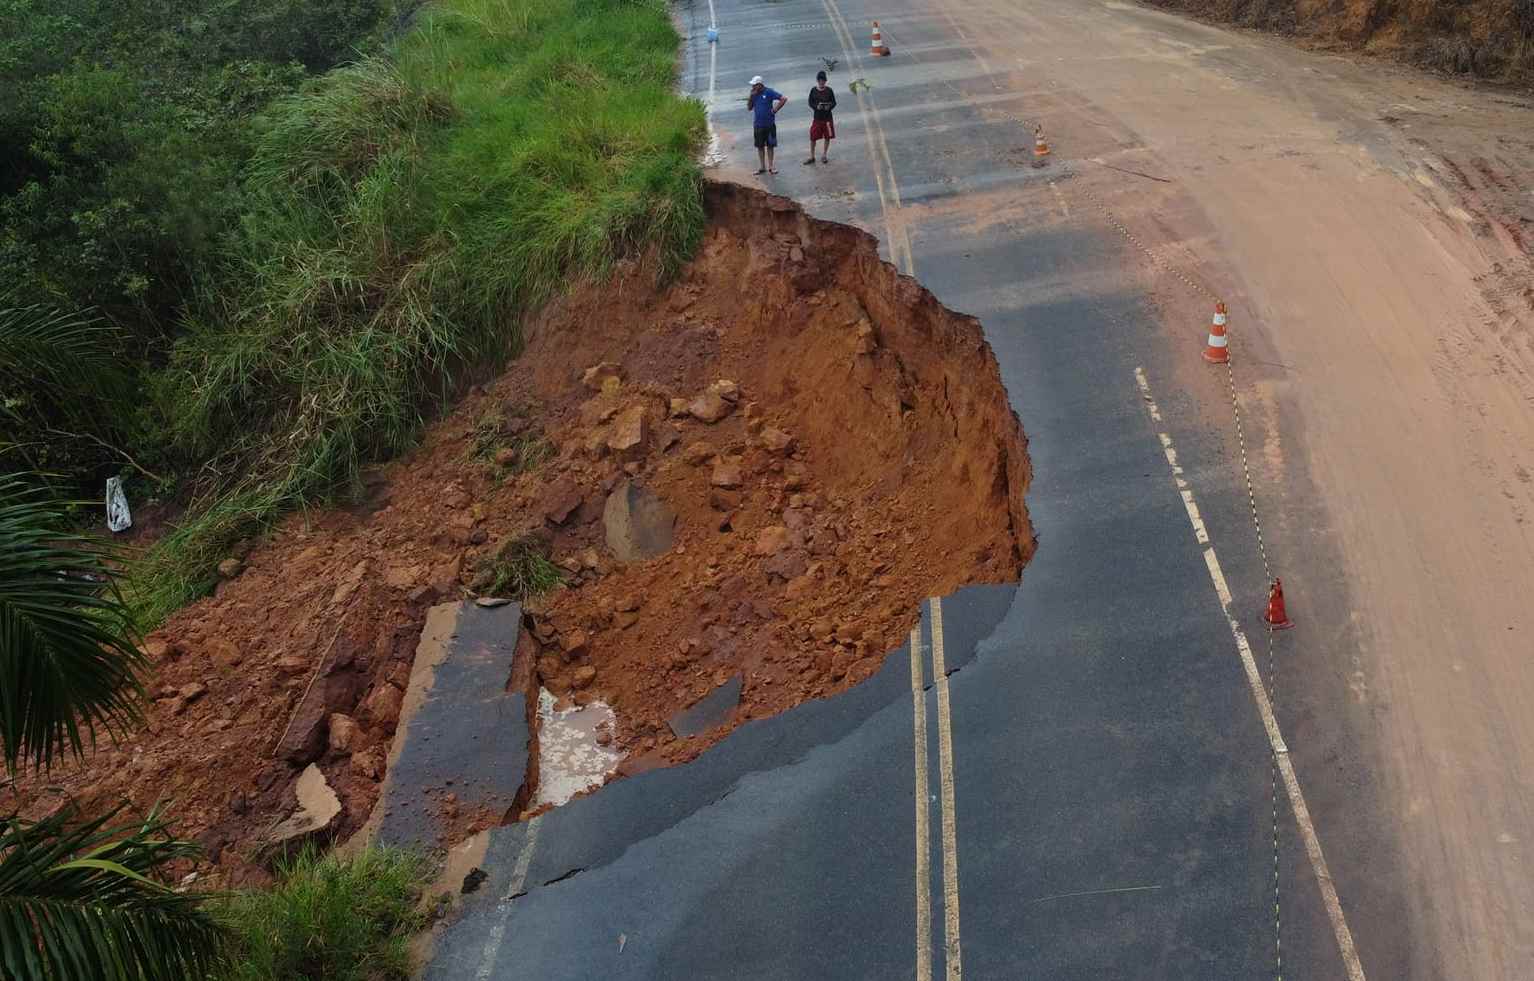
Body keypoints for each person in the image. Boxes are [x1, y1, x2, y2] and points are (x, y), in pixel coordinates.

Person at [747, 75, 787, 175]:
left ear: (760, 85)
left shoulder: (769, 92)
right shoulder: (754, 94)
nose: (753, 87)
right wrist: (751, 97)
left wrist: (775, 110)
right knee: (760, 146)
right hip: (758, 124)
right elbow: (749, 108)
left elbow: (783, 98)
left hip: (769, 124)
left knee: (770, 146)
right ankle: (762, 167)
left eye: (754, 85)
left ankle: (771, 166)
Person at [805, 71, 837, 165]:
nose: (822, 82)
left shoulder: (829, 90)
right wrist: (816, 107)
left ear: (825, 81)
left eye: (823, 80)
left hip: (827, 118)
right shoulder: (813, 90)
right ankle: (812, 156)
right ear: (817, 81)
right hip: (817, 118)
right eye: (820, 80)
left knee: (828, 136)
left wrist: (829, 106)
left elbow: (834, 102)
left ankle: (824, 155)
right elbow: (810, 102)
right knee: (813, 137)